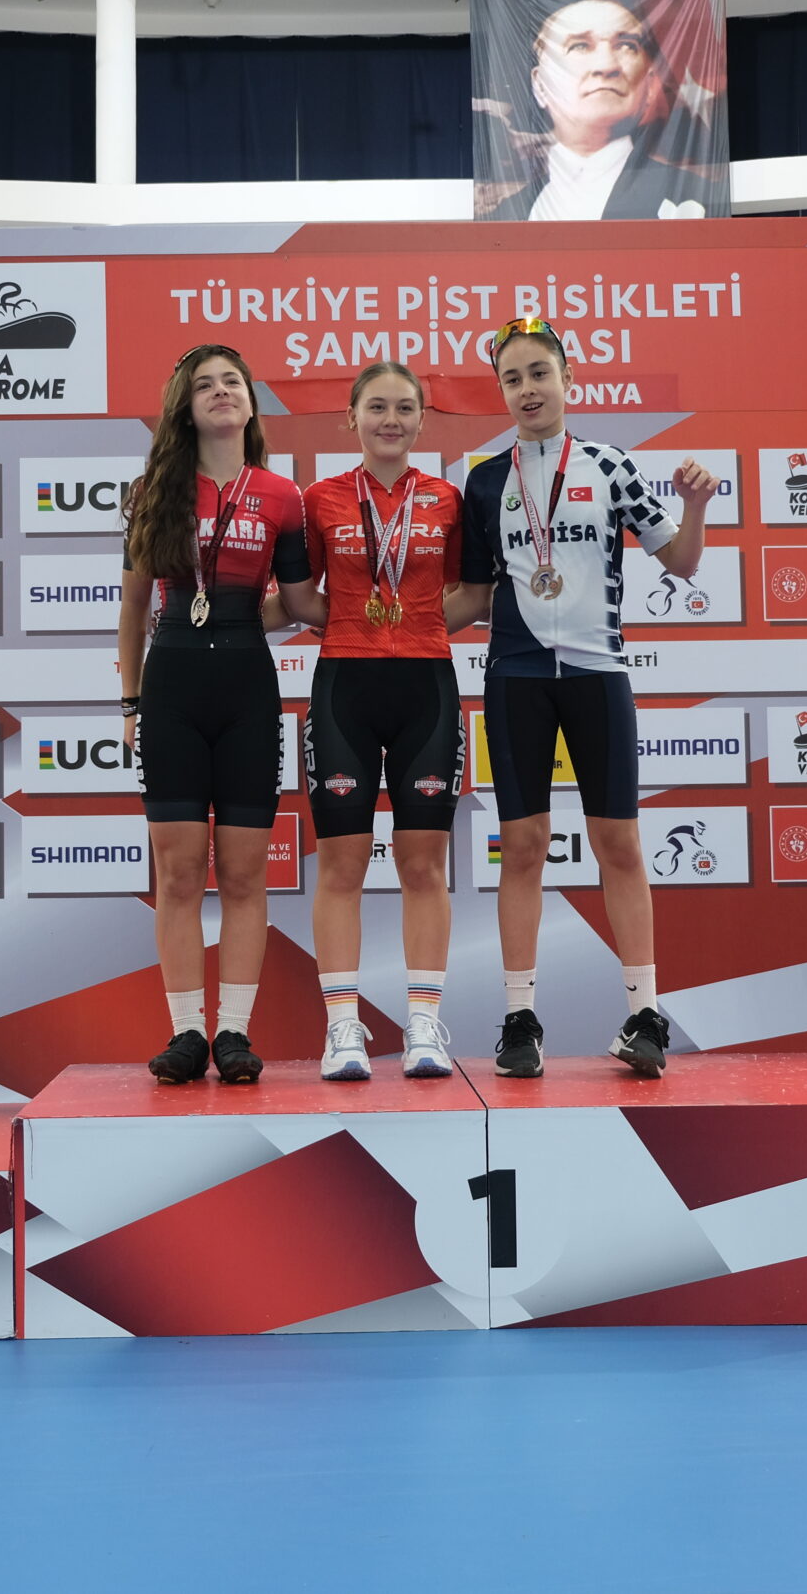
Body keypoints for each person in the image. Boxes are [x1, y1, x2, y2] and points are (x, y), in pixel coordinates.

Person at [458, 317, 716, 1077]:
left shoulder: (610, 465)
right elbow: (471, 594)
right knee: (523, 846)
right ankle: (519, 1019)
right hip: (515, 676)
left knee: (621, 844)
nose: (528, 389)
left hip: (598, 673)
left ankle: (644, 1014)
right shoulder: (484, 479)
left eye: (540, 373)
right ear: (501, 392)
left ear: (568, 380)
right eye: (512, 379)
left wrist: (695, 506)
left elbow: (682, 561)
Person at [116, 345, 320, 1086]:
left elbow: (298, 605)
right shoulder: (154, 491)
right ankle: (186, 1033)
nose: (221, 391)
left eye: (232, 380)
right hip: (171, 688)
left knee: (242, 872)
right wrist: (131, 702)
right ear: (186, 406)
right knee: (177, 873)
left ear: (250, 401)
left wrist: (381, 616)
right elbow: (134, 608)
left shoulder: (283, 496)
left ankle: (233, 1030)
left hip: (246, 690)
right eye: (204, 384)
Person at [297, 362, 489, 1081]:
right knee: (342, 864)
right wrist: (357, 623)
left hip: (426, 686)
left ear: (421, 420)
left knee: (423, 864)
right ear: (351, 417)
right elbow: (301, 597)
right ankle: (342, 1028)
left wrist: (418, 626)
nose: (391, 420)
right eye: (376, 407)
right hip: (343, 685)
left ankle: (423, 1025)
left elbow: (473, 593)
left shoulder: (446, 499)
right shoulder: (320, 498)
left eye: (405, 408)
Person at [484, 0, 722, 223]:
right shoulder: (505, 216)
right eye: (579, 46)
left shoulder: (695, 196)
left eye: (626, 46)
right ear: (540, 85)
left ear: (650, 85)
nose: (606, 65)